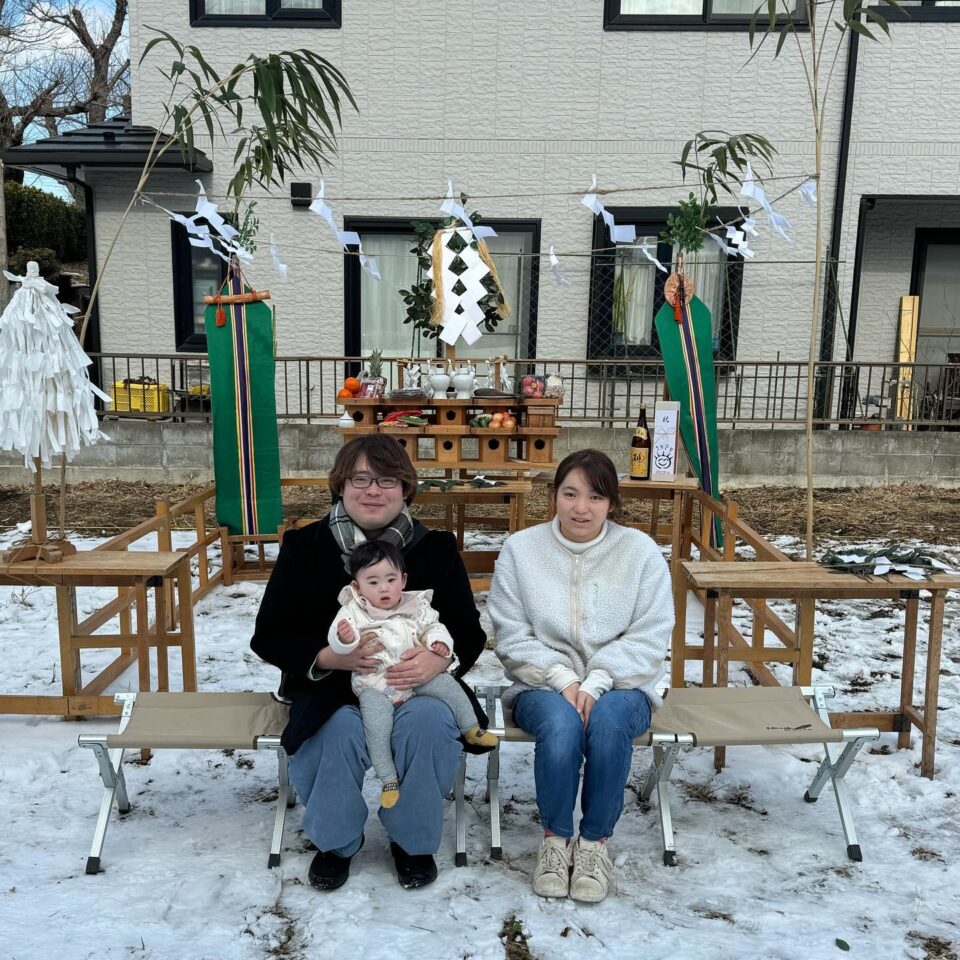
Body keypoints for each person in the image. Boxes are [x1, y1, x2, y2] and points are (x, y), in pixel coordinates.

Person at [250, 435, 488, 892]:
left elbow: (469, 630)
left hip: (414, 686)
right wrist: (326, 657)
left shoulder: (434, 548)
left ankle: (412, 840)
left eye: (386, 479)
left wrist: (438, 661)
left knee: (429, 723)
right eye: (360, 478)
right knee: (334, 730)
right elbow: (270, 634)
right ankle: (337, 842)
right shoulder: (305, 546)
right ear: (341, 485)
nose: (373, 490)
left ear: (405, 489)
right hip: (332, 687)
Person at [488, 449, 674, 903]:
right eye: (569, 494)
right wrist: (562, 678)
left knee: (609, 724)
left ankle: (592, 845)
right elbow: (510, 633)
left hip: (625, 682)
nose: (580, 508)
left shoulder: (639, 552)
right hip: (540, 682)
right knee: (561, 723)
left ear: (612, 502)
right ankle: (555, 841)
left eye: (595, 496)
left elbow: (651, 634)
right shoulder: (521, 550)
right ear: (553, 495)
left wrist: (599, 679)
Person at [329, 539, 497, 809]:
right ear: (357, 587)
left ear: (403, 580)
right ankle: (388, 779)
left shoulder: (417, 606)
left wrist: (439, 646)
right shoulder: (354, 611)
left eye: (390, 579)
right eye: (373, 582)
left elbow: (434, 627)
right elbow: (338, 638)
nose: (384, 588)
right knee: (376, 727)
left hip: (417, 678)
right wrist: (344, 640)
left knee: (447, 686)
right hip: (376, 684)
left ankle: (471, 728)